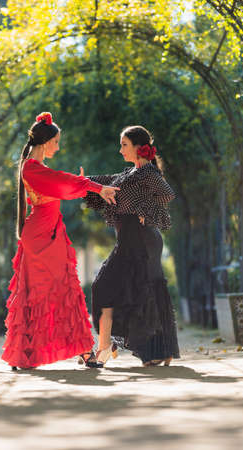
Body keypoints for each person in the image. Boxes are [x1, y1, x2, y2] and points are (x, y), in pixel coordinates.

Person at [1, 112, 119, 370]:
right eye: (56, 141)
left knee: (55, 291)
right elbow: (62, 183)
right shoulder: (32, 168)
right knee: (56, 290)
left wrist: (87, 185)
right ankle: (78, 351)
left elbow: (62, 185)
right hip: (42, 237)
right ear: (44, 143)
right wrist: (92, 186)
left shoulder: (35, 168)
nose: (58, 146)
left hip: (47, 234)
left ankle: (75, 350)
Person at [84, 125, 180, 367]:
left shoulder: (147, 173)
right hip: (129, 239)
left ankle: (111, 348)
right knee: (119, 289)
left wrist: (146, 213)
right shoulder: (130, 174)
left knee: (134, 289)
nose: (120, 150)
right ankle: (112, 348)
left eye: (124, 145)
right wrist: (81, 181)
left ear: (139, 148)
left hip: (142, 240)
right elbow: (105, 182)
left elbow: (167, 194)